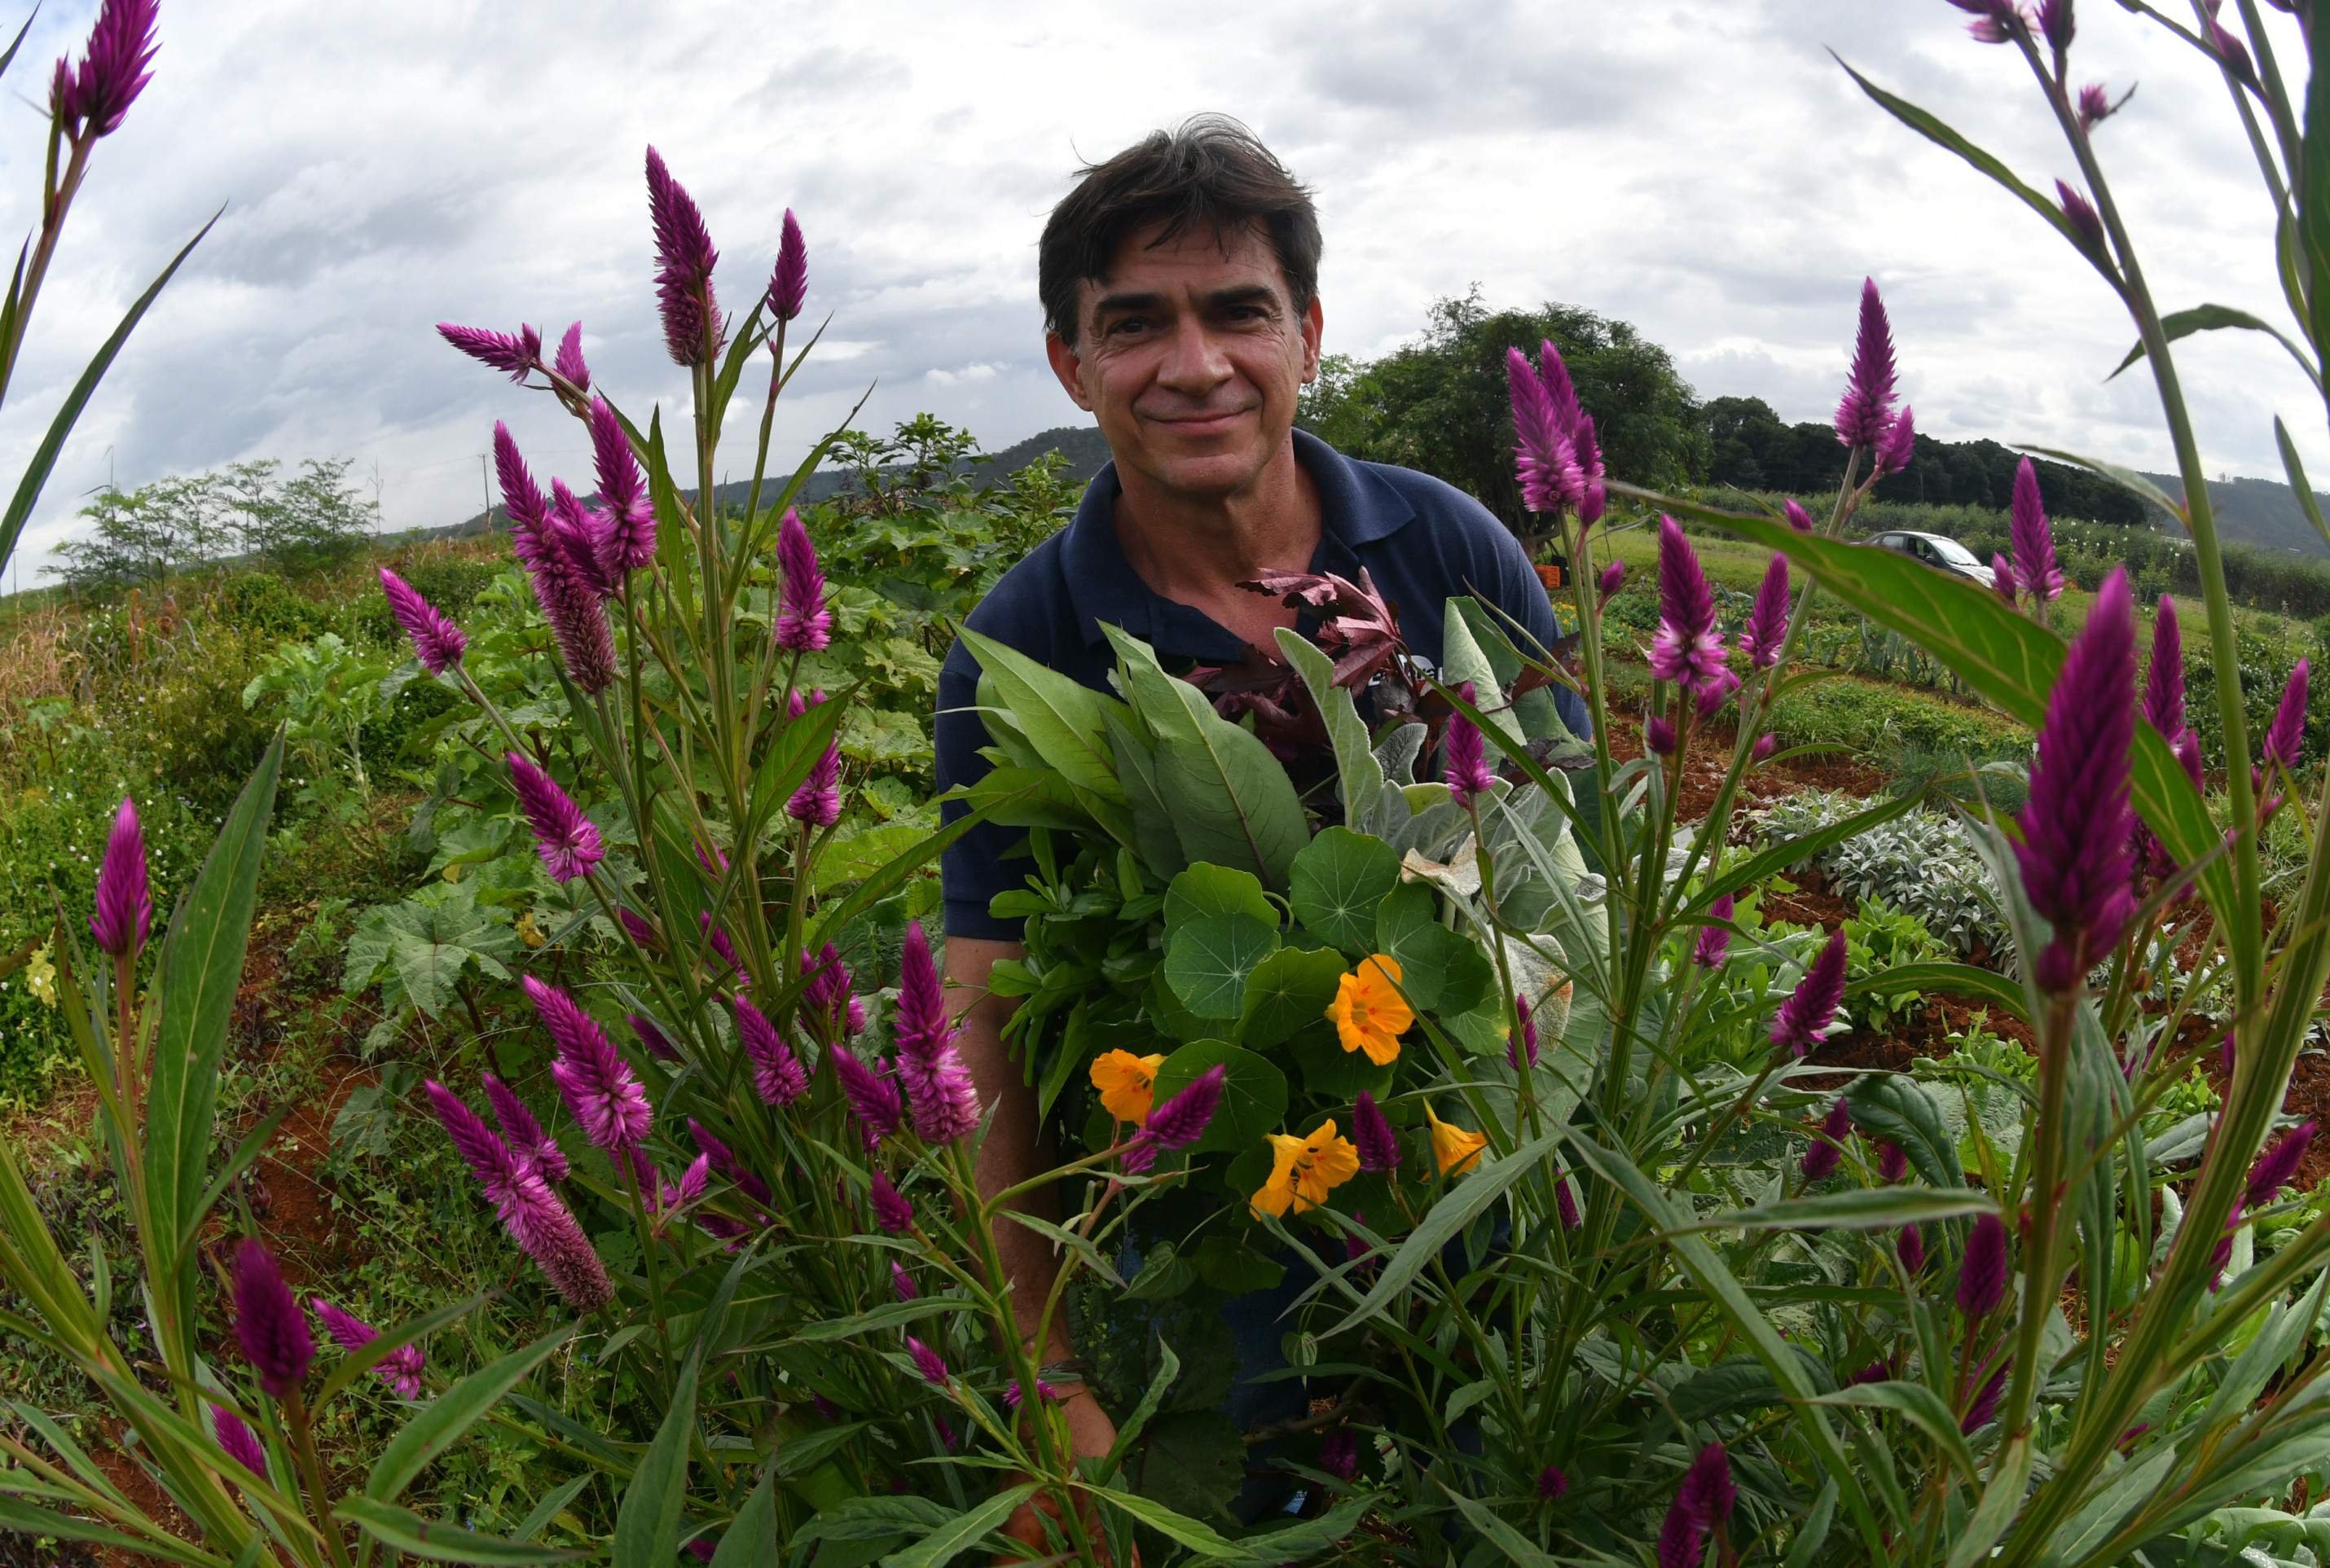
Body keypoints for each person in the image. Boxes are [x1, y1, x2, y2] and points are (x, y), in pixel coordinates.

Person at [932, 115, 1589, 1539]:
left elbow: (1575, 885)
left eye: (1239, 312)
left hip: (1491, 1201)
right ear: (1072, 361)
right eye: (1134, 324)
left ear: (1307, 337)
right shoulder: (1020, 641)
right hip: (1212, 1249)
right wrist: (1040, 1366)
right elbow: (979, 1008)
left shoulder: (1450, 550)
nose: (1195, 364)